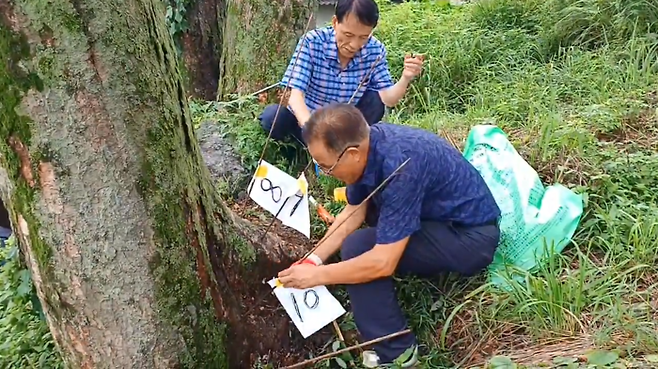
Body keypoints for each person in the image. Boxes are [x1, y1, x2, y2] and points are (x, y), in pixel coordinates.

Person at [277, 104, 502, 368]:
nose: (327, 173)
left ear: (351, 153)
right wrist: (313, 260)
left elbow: (383, 262)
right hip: (434, 218)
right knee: (364, 232)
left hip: (470, 236)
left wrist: (316, 277)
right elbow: (354, 211)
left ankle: (397, 354)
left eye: (327, 166)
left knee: (360, 249)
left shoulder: (401, 166)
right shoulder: (368, 147)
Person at [259, 0, 424, 145]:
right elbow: (296, 97)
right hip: (306, 122)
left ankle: (349, 146)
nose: (354, 44)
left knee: (376, 101)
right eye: (348, 35)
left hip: (343, 127)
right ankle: (297, 151)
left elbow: (389, 99)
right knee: (273, 118)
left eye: (363, 37)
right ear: (335, 22)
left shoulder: (375, 50)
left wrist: (405, 78)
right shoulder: (312, 42)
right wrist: (315, 134)